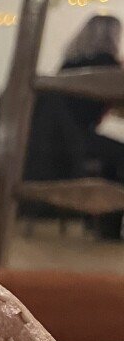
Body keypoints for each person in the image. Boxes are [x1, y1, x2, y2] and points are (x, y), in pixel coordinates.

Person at [25, 14, 122, 236]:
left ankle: (95, 218)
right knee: (119, 154)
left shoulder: (68, 64)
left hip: (54, 142)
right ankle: (109, 223)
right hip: (77, 141)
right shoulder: (110, 67)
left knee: (111, 153)